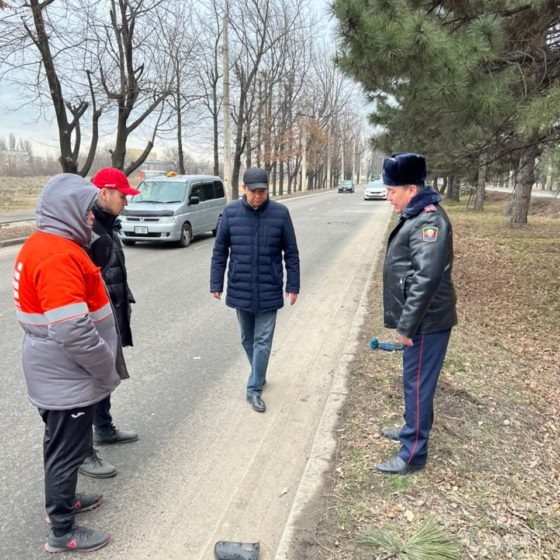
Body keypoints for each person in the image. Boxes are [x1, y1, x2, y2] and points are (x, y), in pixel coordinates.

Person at [13, 173, 124, 552]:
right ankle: (62, 531)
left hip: (55, 370)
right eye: (87, 210)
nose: (92, 216)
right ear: (67, 210)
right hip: (67, 375)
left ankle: (65, 501)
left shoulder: (45, 244)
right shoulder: (57, 255)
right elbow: (73, 331)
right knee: (65, 451)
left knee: (61, 445)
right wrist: (106, 369)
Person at [376, 152, 457, 475]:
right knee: (414, 383)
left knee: (418, 386)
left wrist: (407, 326)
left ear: (411, 189)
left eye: (392, 191)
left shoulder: (429, 221)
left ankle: (412, 455)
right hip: (423, 320)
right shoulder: (417, 215)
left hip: (426, 322)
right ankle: (411, 430)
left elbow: (426, 278)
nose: (388, 197)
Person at [210, 167, 300, 413]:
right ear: (244, 189)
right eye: (253, 191)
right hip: (241, 287)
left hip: (269, 287)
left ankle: (254, 389)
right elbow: (220, 251)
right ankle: (259, 374)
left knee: (262, 341)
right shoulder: (230, 213)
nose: (258, 196)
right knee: (247, 339)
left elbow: (291, 253)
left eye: (262, 191)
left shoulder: (280, 213)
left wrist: (293, 285)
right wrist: (216, 283)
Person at [78, 168, 139, 479]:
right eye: (122, 195)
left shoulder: (107, 224)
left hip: (110, 311)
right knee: (89, 382)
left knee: (106, 374)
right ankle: (82, 451)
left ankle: (103, 427)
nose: (126, 201)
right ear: (104, 193)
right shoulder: (88, 228)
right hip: (93, 320)